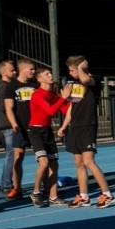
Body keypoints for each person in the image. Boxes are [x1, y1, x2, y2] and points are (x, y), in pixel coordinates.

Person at [57, 56, 115, 209]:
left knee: (89, 161)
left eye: (72, 70)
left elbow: (85, 80)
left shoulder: (93, 80)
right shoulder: (74, 84)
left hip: (87, 125)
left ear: (81, 67)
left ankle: (107, 194)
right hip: (75, 127)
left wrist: (82, 69)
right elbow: (72, 107)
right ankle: (83, 196)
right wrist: (64, 126)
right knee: (78, 163)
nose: (70, 73)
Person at [28, 67, 72, 207]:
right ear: (39, 79)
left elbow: (65, 109)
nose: (51, 75)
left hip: (47, 130)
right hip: (35, 131)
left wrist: (72, 100)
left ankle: (53, 197)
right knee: (44, 162)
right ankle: (35, 192)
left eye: (50, 73)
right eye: (47, 74)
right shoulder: (37, 95)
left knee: (54, 164)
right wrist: (63, 97)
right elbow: (50, 110)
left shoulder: (53, 95)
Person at [3, 57, 36, 200]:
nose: (33, 72)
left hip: (36, 126)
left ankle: (47, 187)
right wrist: (14, 124)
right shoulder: (11, 87)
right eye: (31, 69)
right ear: (23, 70)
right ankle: (17, 188)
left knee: (43, 158)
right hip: (20, 127)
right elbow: (8, 108)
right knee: (18, 157)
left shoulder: (37, 85)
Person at [0, 60, 18, 194]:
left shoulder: (0, 86)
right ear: (3, 72)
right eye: (11, 70)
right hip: (8, 123)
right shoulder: (4, 87)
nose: (14, 72)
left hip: (4, 123)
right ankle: (6, 183)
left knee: (11, 153)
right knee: (11, 153)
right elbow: (4, 107)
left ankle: (6, 182)